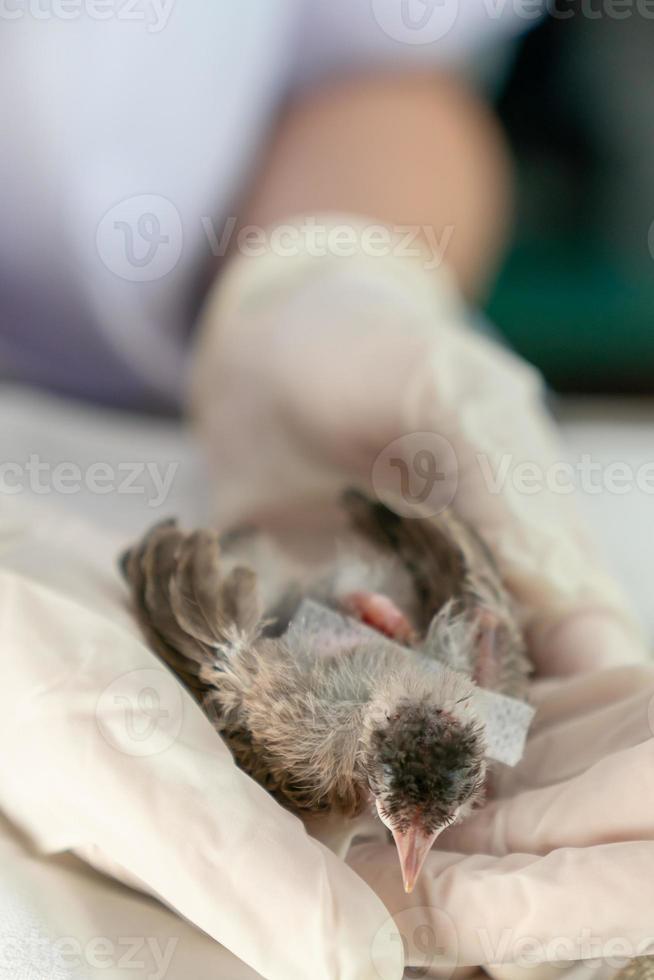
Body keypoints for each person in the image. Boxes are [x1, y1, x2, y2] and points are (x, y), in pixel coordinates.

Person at [1, 3, 650, 978]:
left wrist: (329, 271)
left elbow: (382, 71)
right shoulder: (367, 707)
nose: (411, 849)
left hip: (209, 420)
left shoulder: (460, 686)